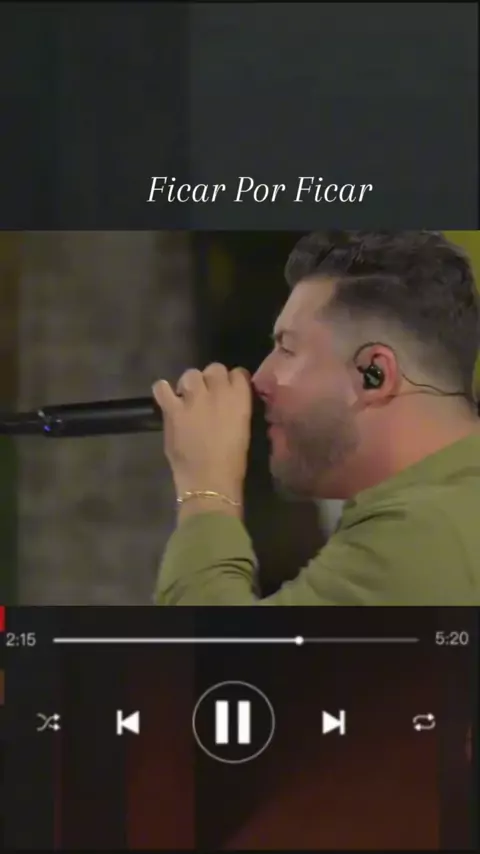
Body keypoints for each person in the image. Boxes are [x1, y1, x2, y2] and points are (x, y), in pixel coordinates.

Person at [153, 230, 480, 605]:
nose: (258, 379)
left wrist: (206, 487)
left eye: (287, 349)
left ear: (373, 374)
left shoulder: (421, 537)